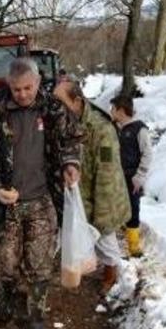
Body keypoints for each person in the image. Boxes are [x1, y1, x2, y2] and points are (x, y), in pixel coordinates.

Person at [0, 57, 83, 329]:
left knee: (39, 263)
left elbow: (72, 140)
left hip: (42, 199)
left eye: (27, 88)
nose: (22, 94)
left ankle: (36, 315)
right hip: (5, 203)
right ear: (9, 85)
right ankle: (7, 293)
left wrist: (71, 164)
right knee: (7, 260)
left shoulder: (53, 108)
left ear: (37, 82)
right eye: (16, 89)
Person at [53, 80, 133, 296]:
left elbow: (108, 174)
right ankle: (80, 264)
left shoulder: (101, 129)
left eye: (60, 102)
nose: (55, 106)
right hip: (78, 190)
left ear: (77, 101)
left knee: (105, 236)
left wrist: (103, 214)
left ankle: (111, 273)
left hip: (100, 195)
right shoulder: (63, 122)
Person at [109, 94, 152, 258]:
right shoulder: (115, 128)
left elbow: (147, 154)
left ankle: (133, 246)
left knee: (133, 209)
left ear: (121, 110)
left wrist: (139, 176)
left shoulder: (139, 129)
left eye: (113, 109)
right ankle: (118, 237)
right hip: (116, 177)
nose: (111, 112)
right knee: (116, 207)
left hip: (132, 178)